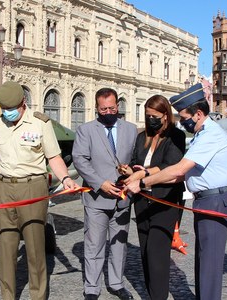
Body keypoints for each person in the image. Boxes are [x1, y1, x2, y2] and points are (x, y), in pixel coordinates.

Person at [125, 82, 227, 300]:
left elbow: (177, 169)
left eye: (184, 116)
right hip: (205, 200)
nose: (182, 120)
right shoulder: (202, 133)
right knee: (204, 261)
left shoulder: (211, 135)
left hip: (214, 201)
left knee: (209, 263)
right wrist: (145, 176)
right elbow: (179, 174)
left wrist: (143, 181)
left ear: (198, 113)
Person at [0, 81, 79, 300]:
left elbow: (53, 157)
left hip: (33, 188)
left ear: (23, 103)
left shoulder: (40, 123)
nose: (7, 113)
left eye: (11, 109)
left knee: (35, 247)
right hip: (5, 188)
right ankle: (8, 296)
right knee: (6, 246)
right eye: (4, 109)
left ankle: (38, 296)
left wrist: (66, 178)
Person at [72, 88, 137, 300]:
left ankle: (116, 283)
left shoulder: (131, 129)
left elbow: (136, 159)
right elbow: (80, 159)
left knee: (119, 245)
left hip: (123, 198)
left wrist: (131, 173)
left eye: (111, 108)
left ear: (117, 106)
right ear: (97, 108)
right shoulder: (86, 130)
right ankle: (92, 287)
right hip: (96, 198)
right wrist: (100, 183)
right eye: (103, 109)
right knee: (94, 244)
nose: (108, 111)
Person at [120, 95, 185, 299]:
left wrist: (143, 173)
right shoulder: (142, 137)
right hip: (142, 202)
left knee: (157, 255)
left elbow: (170, 166)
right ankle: (152, 294)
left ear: (165, 115)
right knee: (146, 253)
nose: (150, 120)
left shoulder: (176, 136)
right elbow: (134, 161)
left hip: (164, 202)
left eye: (154, 116)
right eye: (147, 116)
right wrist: (128, 170)